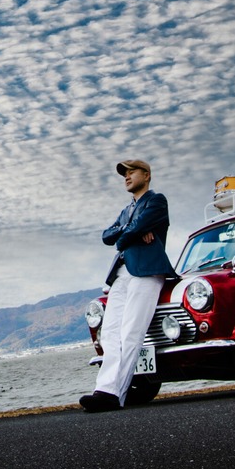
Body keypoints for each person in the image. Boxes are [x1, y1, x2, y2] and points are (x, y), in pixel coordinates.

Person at [79, 159, 176, 413]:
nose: (127, 177)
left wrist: (128, 234)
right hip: (121, 274)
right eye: (125, 174)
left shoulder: (157, 201)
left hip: (147, 270)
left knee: (131, 332)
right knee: (110, 332)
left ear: (147, 175)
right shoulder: (126, 210)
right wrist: (129, 230)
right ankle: (104, 390)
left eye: (132, 172)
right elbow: (107, 236)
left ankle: (114, 394)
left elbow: (122, 239)